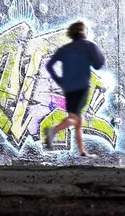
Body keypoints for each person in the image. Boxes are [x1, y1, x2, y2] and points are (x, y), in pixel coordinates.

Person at [44, 20, 105, 158]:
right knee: (75, 119)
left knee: (77, 119)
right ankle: (53, 131)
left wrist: (59, 79)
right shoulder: (89, 46)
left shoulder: (64, 49)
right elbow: (98, 64)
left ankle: (82, 152)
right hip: (82, 87)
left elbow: (49, 65)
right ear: (83, 31)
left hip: (68, 88)